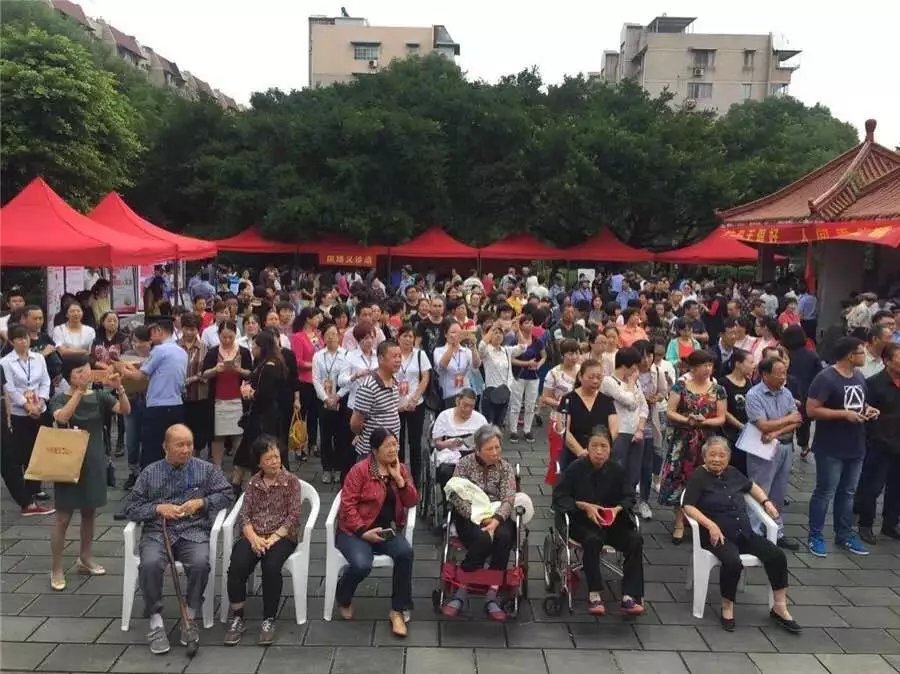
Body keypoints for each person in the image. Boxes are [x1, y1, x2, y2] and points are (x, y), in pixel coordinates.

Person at [123, 424, 234, 655]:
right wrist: (157, 509)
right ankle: (155, 620)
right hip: (157, 531)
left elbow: (227, 494)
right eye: (180, 445)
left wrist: (202, 503)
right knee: (150, 564)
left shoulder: (206, 469)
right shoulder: (149, 472)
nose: (186, 450)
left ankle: (190, 616)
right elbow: (131, 508)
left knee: (201, 563)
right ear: (165, 446)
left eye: (189, 444)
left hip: (193, 530)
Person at [682, 436, 801, 633]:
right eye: (712, 455)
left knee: (777, 555)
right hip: (716, 536)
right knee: (733, 562)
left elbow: (751, 487)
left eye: (721, 455)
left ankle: (779, 607)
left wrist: (766, 502)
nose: (717, 459)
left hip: (744, 533)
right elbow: (688, 506)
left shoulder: (733, 473)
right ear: (704, 456)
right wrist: (711, 525)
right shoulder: (699, 476)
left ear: (728, 457)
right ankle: (727, 606)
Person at [49, 356, 131, 589]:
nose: (84, 375)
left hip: (93, 460)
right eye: (78, 372)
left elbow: (125, 410)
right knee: (63, 517)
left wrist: (120, 389)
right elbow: (62, 417)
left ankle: (85, 557)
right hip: (67, 460)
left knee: (89, 512)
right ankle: (56, 568)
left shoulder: (100, 396)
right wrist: (78, 392)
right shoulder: (59, 398)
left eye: (86, 371)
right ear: (69, 377)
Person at [552, 425, 645, 617]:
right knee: (592, 540)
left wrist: (617, 509)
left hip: (612, 522)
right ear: (588, 447)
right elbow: (560, 498)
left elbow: (629, 497)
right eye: (594, 446)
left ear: (610, 449)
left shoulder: (617, 470)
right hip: (582, 521)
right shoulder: (575, 469)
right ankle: (594, 593)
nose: (599, 451)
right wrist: (583, 506)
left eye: (604, 446)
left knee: (635, 540)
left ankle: (630, 594)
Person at [335, 427, 418, 637]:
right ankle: (343, 595)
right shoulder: (360, 470)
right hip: (354, 531)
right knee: (362, 565)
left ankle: (397, 610)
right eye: (388, 445)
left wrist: (400, 481)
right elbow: (347, 506)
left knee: (405, 553)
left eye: (395, 444)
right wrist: (363, 532)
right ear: (375, 449)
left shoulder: (400, 468)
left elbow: (412, 501)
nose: (393, 449)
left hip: (385, 531)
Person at [224, 436, 302, 646]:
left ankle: (269, 618)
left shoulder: (291, 482)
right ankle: (238, 617)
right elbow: (244, 515)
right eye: (269, 459)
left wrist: (274, 538)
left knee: (271, 567)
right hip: (255, 534)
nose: (274, 461)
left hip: (282, 536)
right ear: (259, 463)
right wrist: (253, 538)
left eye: (276, 456)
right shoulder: (253, 483)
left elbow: (294, 516)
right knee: (237, 565)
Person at [806, 337, 878, 557]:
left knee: (847, 492)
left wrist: (867, 409)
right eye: (861, 352)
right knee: (825, 491)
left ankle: (844, 534)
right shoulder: (825, 378)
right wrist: (843, 415)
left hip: (855, 444)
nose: (864, 355)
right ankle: (815, 535)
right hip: (831, 446)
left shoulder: (858, 376)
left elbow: (858, 403)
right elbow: (811, 410)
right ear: (850, 355)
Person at [442, 424, 517, 621]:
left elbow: (509, 498)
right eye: (490, 448)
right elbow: (456, 495)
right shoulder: (464, 464)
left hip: (497, 513)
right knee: (482, 539)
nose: (495, 452)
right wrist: (479, 517)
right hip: (470, 514)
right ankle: (462, 590)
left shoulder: (505, 467)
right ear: (478, 449)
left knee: (504, 537)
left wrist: (496, 519)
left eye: (497, 447)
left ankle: (492, 594)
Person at [658, 350, 727, 545]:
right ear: (693, 368)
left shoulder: (718, 390)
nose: (707, 369)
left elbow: (721, 417)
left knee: (704, 480)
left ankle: (701, 520)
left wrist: (704, 421)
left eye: (710, 365)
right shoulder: (681, 386)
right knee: (680, 480)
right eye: (703, 365)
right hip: (683, 440)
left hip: (707, 442)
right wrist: (687, 419)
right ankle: (679, 522)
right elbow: (670, 411)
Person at [744, 357, 803, 551]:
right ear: (765, 375)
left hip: (784, 445)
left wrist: (777, 431)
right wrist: (787, 420)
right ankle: (753, 533)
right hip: (762, 449)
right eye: (779, 373)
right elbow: (763, 425)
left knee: (779, 491)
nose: (783, 377)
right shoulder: (754, 395)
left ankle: (776, 531)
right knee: (760, 490)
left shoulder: (786, 393)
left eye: (785, 372)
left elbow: (797, 420)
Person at [116, 320, 187, 468]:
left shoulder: (160, 350)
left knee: (152, 448)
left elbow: (139, 376)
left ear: (159, 331)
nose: (150, 336)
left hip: (158, 406)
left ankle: (150, 478)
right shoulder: (181, 351)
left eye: (152, 332)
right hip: (177, 403)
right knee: (171, 445)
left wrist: (120, 368)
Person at [0, 325, 55, 515]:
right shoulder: (6, 362)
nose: (23, 342)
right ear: (12, 341)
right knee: (18, 453)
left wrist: (41, 401)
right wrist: (26, 405)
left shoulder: (38, 358)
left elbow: (45, 381)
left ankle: (33, 489)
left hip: (39, 407)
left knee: (38, 450)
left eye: (26, 338)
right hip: (19, 412)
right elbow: (9, 389)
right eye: (19, 338)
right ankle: (26, 496)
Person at [856, 342, 900, 543]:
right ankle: (865, 525)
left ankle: (890, 524)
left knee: (896, 487)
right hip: (880, 444)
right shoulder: (874, 384)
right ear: (887, 361)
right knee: (872, 487)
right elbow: (865, 413)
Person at [233, 331, 286, 488]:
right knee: (245, 453)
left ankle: (260, 485)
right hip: (261, 415)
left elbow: (266, 394)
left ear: (262, 347)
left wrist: (250, 393)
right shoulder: (265, 363)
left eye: (255, 346)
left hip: (264, 418)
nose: (252, 349)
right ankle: (237, 485)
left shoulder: (270, 366)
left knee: (260, 451)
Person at [201, 320, 252, 466]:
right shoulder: (213, 352)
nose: (227, 340)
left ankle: (238, 467)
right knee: (218, 436)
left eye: (230, 337)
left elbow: (251, 373)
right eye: (224, 337)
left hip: (238, 399)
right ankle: (216, 467)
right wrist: (215, 370)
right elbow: (204, 374)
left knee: (238, 434)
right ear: (218, 335)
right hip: (218, 399)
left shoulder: (243, 352)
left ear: (236, 335)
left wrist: (238, 370)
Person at [601, 347, 648, 495]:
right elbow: (630, 402)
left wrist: (640, 429)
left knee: (633, 473)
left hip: (636, 432)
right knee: (616, 469)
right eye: (634, 366)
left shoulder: (634, 383)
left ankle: (629, 502)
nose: (636, 370)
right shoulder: (609, 381)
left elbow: (644, 407)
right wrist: (631, 384)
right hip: (619, 431)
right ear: (625, 365)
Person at [558, 359, 617, 473]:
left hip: (600, 458)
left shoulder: (606, 401)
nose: (595, 381)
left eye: (599, 378)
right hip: (573, 456)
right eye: (591, 377)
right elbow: (563, 429)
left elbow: (614, 429)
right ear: (580, 377)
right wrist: (581, 452)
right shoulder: (568, 399)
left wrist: (601, 448)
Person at [350, 339, 402, 464]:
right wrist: (364, 435)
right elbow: (355, 423)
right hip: (372, 453)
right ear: (381, 359)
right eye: (394, 356)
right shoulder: (369, 386)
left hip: (391, 450)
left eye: (400, 356)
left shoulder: (394, 382)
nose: (398, 360)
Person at [312, 322, 350, 484]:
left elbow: (348, 380)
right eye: (328, 335)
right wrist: (326, 399)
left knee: (341, 435)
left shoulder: (346, 355)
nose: (331, 338)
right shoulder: (318, 356)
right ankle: (327, 468)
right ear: (323, 338)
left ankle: (340, 467)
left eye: (334, 334)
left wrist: (337, 397)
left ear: (339, 336)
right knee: (325, 435)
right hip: (324, 399)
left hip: (341, 398)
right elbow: (315, 379)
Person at [395, 324, 431, 484]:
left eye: (411, 336)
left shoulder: (420, 354)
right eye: (405, 336)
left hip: (416, 403)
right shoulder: (394, 353)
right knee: (397, 442)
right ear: (398, 338)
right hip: (396, 403)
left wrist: (415, 398)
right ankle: (399, 476)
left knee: (415, 442)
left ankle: (416, 479)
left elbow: (425, 377)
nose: (408, 339)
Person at [781, 325, 822, 461]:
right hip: (806, 393)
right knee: (804, 422)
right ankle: (804, 445)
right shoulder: (812, 355)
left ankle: (788, 447)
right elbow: (819, 375)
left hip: (787, 390)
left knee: (785, 422)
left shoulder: (784, 355)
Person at [541, 339, 579, 485]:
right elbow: (545, 397)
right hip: (559, 419)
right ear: (562, 355)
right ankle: (557, 489)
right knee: (557, 457)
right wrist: (562, 404)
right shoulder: (554, 373)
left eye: (576, 353)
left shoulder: (582, 371)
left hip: (578, 418)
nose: (574, 357)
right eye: (570, 353)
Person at [291, 307, 324, 460]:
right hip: (304, 381)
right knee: (301, 415)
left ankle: (313, 444)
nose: (318, 320)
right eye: (315, 317)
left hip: (318, 381)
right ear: (307, 319)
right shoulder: (298, 337)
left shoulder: (318, 335)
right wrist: (314, 364)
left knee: (314, 415)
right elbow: (297, 361)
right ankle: (299, 446)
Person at [507, 313, 545, 443]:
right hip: (519, 375)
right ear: (521, 326)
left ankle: (527, 430)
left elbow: (544, 356)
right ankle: (513, 430)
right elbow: (510, 359)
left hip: (533, 376)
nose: (530, 325)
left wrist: (538, 364)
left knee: (530, 404)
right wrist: (526, 363)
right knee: (516, 403)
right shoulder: (515, 341)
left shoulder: (537, 341)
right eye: (526, 323)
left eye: (531, 322)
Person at [478, 321, 524, 428]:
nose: (498, 335)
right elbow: (481, 346)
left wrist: (518, 331)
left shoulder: (506, 350)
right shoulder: (487, 351)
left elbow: (523, 347)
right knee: (489, 425)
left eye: (500, 333)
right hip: (490, 391)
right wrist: (492, 328)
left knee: (499, 424)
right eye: (495, 333)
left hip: (504, 391)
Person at [721, 349, 754, 475]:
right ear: (738, 364)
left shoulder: (749, 382)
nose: (753, 366)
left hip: (748, 432)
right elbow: (724, 411)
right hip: (730, 433)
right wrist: (740, 426)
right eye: (750, 362)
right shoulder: (723, 383)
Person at [434, 319, 479, 408]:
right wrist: (452, 345)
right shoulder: (439, 351)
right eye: (453, 332)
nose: (456, 335)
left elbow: (476, 365)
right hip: (449, 396)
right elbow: (442, 365)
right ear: (446, 334)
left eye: (459, 332)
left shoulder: (466, 351)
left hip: (466, 394)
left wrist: (473, 347)